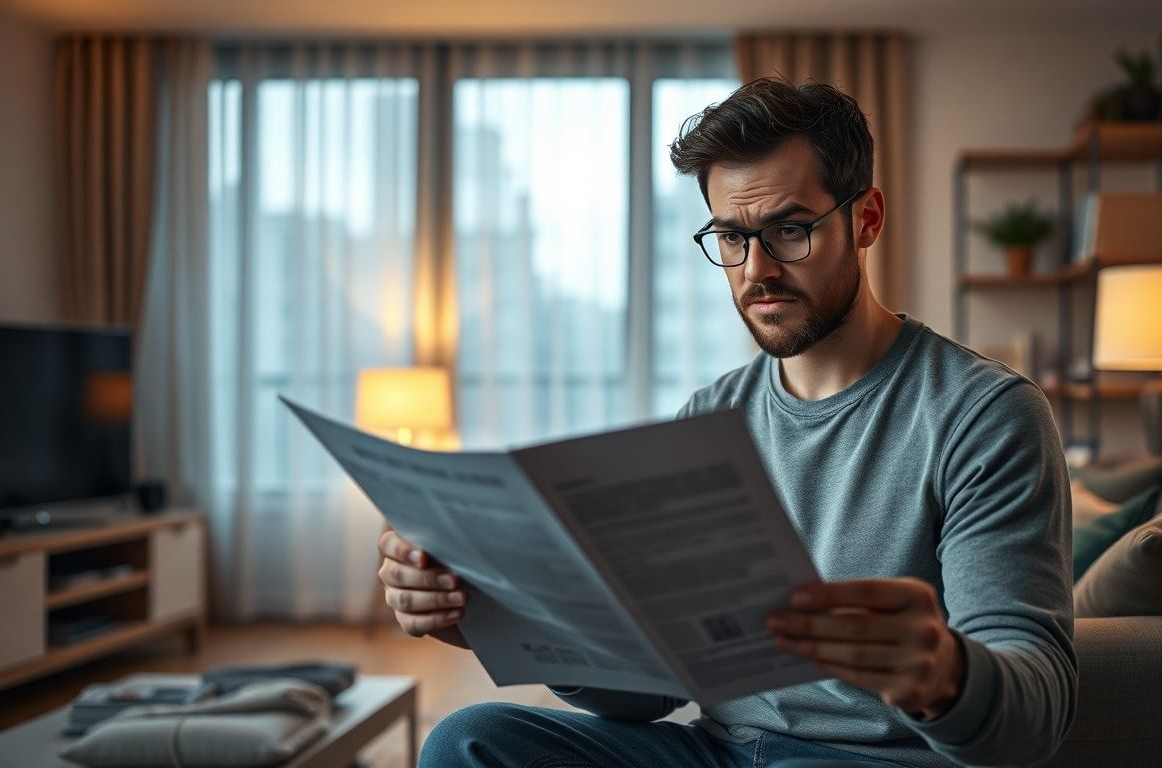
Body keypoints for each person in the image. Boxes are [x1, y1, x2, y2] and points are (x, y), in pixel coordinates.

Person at [378, 78, 1076, 768]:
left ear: (866, 219)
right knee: (467, 740)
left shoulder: (985, 414)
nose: (755, 270)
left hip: (872, 760)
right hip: (718, 751)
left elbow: (1034, 710)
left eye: (789, 230)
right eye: (731, 237)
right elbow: (653, 689)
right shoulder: (709, 417)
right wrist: (491, 619)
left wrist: (946, 677)